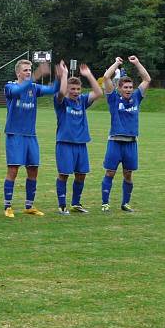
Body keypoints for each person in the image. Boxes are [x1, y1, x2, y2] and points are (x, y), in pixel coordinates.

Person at [3, 60, 59, 218]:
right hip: (15, 135)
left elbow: (53, 89)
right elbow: (17, 91)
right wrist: (36, 75)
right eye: (25, 70)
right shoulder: (10, 86)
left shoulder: (34, 88)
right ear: (18, 73)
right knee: (13, 170)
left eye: (30, 70)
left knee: (33, 169)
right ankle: (7, 206)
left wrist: (61, 76)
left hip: (31, 136)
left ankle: (29, 205)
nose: (28, 72)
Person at [100, 56, 151, 212]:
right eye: (126, 87)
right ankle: (105, 203)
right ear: (119, 88)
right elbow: (106, 78)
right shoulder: (113, 99)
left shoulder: (136, 98)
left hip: (131, 143)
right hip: (115, 141)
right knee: (110, 172)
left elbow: (147, 79)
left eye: (130, 87)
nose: (129, 89)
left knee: (128, 174)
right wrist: (116, 63)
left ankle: (125, 203)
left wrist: (136, 63)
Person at [53, 61, 103, 214]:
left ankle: (76, 203)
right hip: (65, 143)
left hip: (81, 143)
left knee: (81, 175)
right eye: (72, 89)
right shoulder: (61, 102)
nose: (75, 91)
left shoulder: (82, 101)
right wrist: (65, 75)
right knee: (64, 174)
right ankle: (62, 205)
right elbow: (61, 92)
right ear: (68, 89)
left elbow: (99, 93)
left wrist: (88, 75)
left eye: (78, 89)